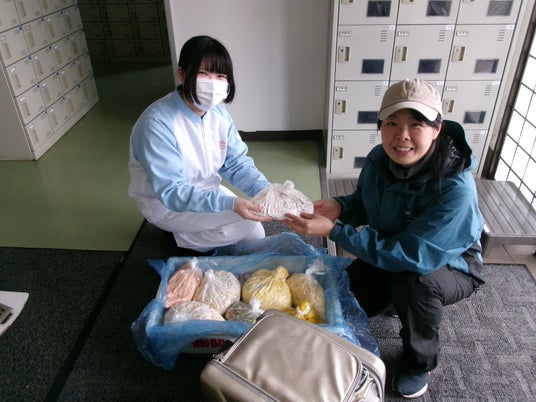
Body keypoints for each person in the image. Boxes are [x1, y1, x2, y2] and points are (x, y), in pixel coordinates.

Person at [284, 79, 485, 398]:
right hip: (393, 247)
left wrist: (334, 231)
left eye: (416, 124)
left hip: (448, 265)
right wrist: (340, 207)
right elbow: (366, 201)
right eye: (392, 123)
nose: (401, 135)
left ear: (436, 129)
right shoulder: (380, 158)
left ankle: (419, 363)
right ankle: (392, 297)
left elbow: (413, 256)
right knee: (343, 298)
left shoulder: (455, 188)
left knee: (413, 283)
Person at [128, 35, 272, 253]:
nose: (212, 83)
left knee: (256, 233)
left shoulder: (219, 114)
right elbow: (172, 191)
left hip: (207, 189)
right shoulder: (157, 122)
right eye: (203, 73)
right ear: (182, 74)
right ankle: (178, 238)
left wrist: (267, 191)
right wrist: (230, 204)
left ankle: (201, 236)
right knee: (243, 224)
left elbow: (236, 164)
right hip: (166, 203)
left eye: (220, 75)